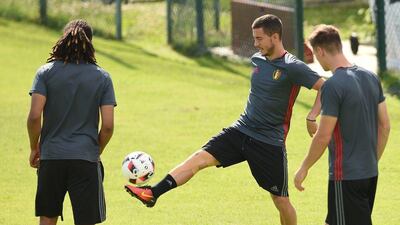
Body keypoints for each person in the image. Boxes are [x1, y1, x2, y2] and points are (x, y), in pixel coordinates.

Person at [125, 14, 324, 225]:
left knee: (280, 200)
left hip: (269, 142)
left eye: (259, 39)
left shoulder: (293, 67)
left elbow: (325, 87)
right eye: (254, 38)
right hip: (240, 130)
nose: (255, 44)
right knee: (198, 159)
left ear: (275, 37)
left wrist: (312, 116)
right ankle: (153, 193)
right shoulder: (258, 59)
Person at [294, 24, 390, 225]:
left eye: (315, 54)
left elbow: (323, 135)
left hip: (346, 177)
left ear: (320, 51)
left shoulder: (332, 85)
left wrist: (304, 167)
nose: (317, 61)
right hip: (369, 173)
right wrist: (372, 159)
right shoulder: (371, 77)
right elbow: (385, 126)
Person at [27, 19, 116, 225]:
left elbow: (34, 117)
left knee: (47, 218)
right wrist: (95, 150)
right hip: (85, 158)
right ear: (90, 44)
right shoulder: (102, 77)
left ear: (63, 39)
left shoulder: (45, 72)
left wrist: (34, 147)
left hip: (51, 157)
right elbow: (108, 126)